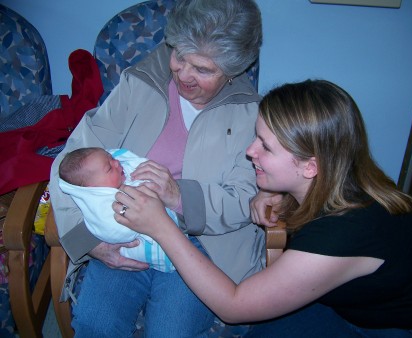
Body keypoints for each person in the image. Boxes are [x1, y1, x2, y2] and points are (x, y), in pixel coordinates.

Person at [114, 79, 412, 338]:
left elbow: (233, 306)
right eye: (256, 137)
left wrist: (162, 227)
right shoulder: (345, 178)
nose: (250, 151)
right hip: (358, 304)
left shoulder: (344, 233)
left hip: (404, 329)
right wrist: (280, 194)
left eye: (266, 147)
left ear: (310, 167)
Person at [48, 0, 264, 336]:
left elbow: (247, 198)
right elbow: (72, 159)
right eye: (179, 56)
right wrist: (89, 239)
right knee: (95, 325)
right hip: (125, 227)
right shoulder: (141, 83)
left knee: (170, 332)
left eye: (204, 70)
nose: (183, 75)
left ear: (234, 69)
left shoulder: (251, 114)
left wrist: (179, 196)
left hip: (200, 245)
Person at [58, 147, 178, 271]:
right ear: (93, 188)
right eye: (109, 168)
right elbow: (116, 230)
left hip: (179, 239)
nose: (117, 162)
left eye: (113, 159)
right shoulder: (101, 207)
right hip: (134, 252)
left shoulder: (121, 170)